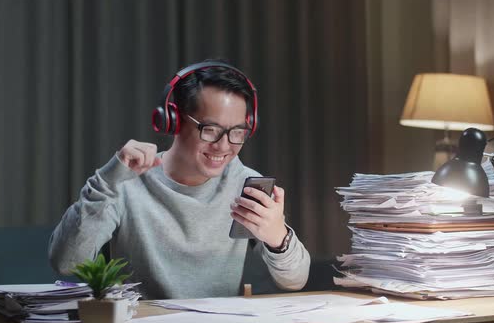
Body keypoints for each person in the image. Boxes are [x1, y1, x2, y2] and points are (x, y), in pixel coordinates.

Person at [48, 60, 311, 299]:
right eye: (210, 130)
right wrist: (106, 183)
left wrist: (279, 238)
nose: (223, 146)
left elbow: (295, 281)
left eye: (237, 132)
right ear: (172, 121)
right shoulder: (125, 182)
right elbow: (66, 263)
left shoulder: (245, 184)